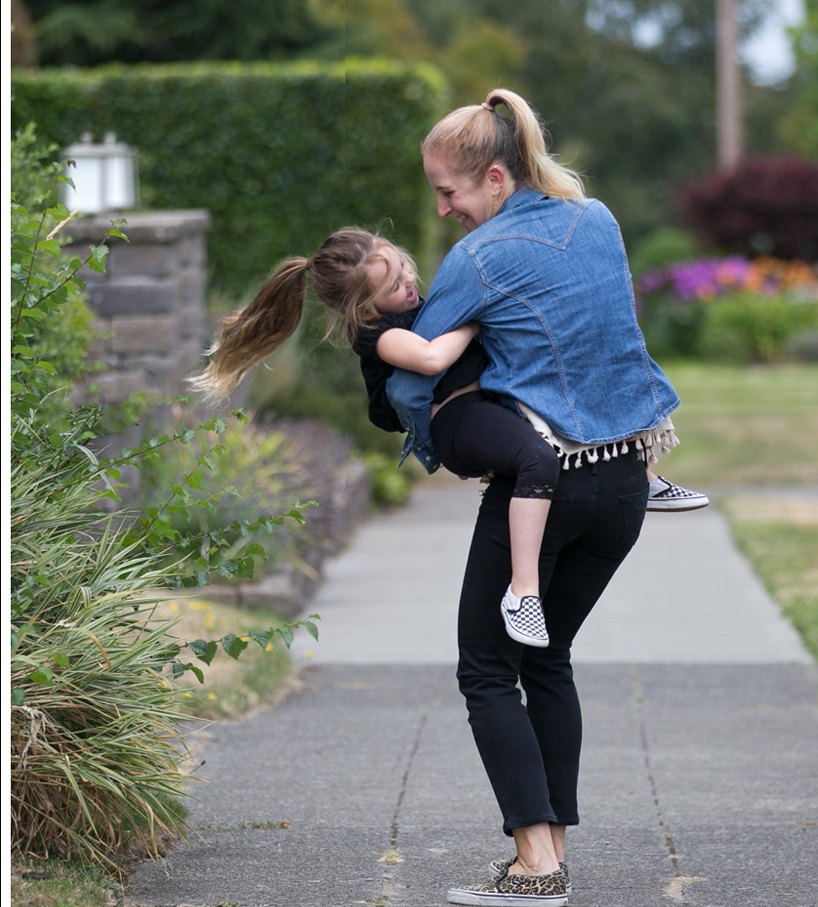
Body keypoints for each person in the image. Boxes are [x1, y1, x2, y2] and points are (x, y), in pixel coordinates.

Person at [385, 88, 690, 907]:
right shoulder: (599, 221)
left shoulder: (478, 260)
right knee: (546, 658)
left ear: (492, 177)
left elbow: (422, 365)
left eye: (449, 192)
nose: (444, 209)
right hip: (626, 482)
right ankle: (551, 845)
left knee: (487, 670)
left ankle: (535, 864)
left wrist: (420, 424)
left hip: (546, 481)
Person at [187, 227, 561, 648]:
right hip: (456, 421)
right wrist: (474, 319)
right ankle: (523, 593)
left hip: (487, 406)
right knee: (539, 461)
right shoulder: (378, 336)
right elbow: (431, 357)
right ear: (365, 310)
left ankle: (637, 472)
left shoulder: (420, 304)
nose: (408, 286)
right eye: (394, 287)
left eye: (404, 270)